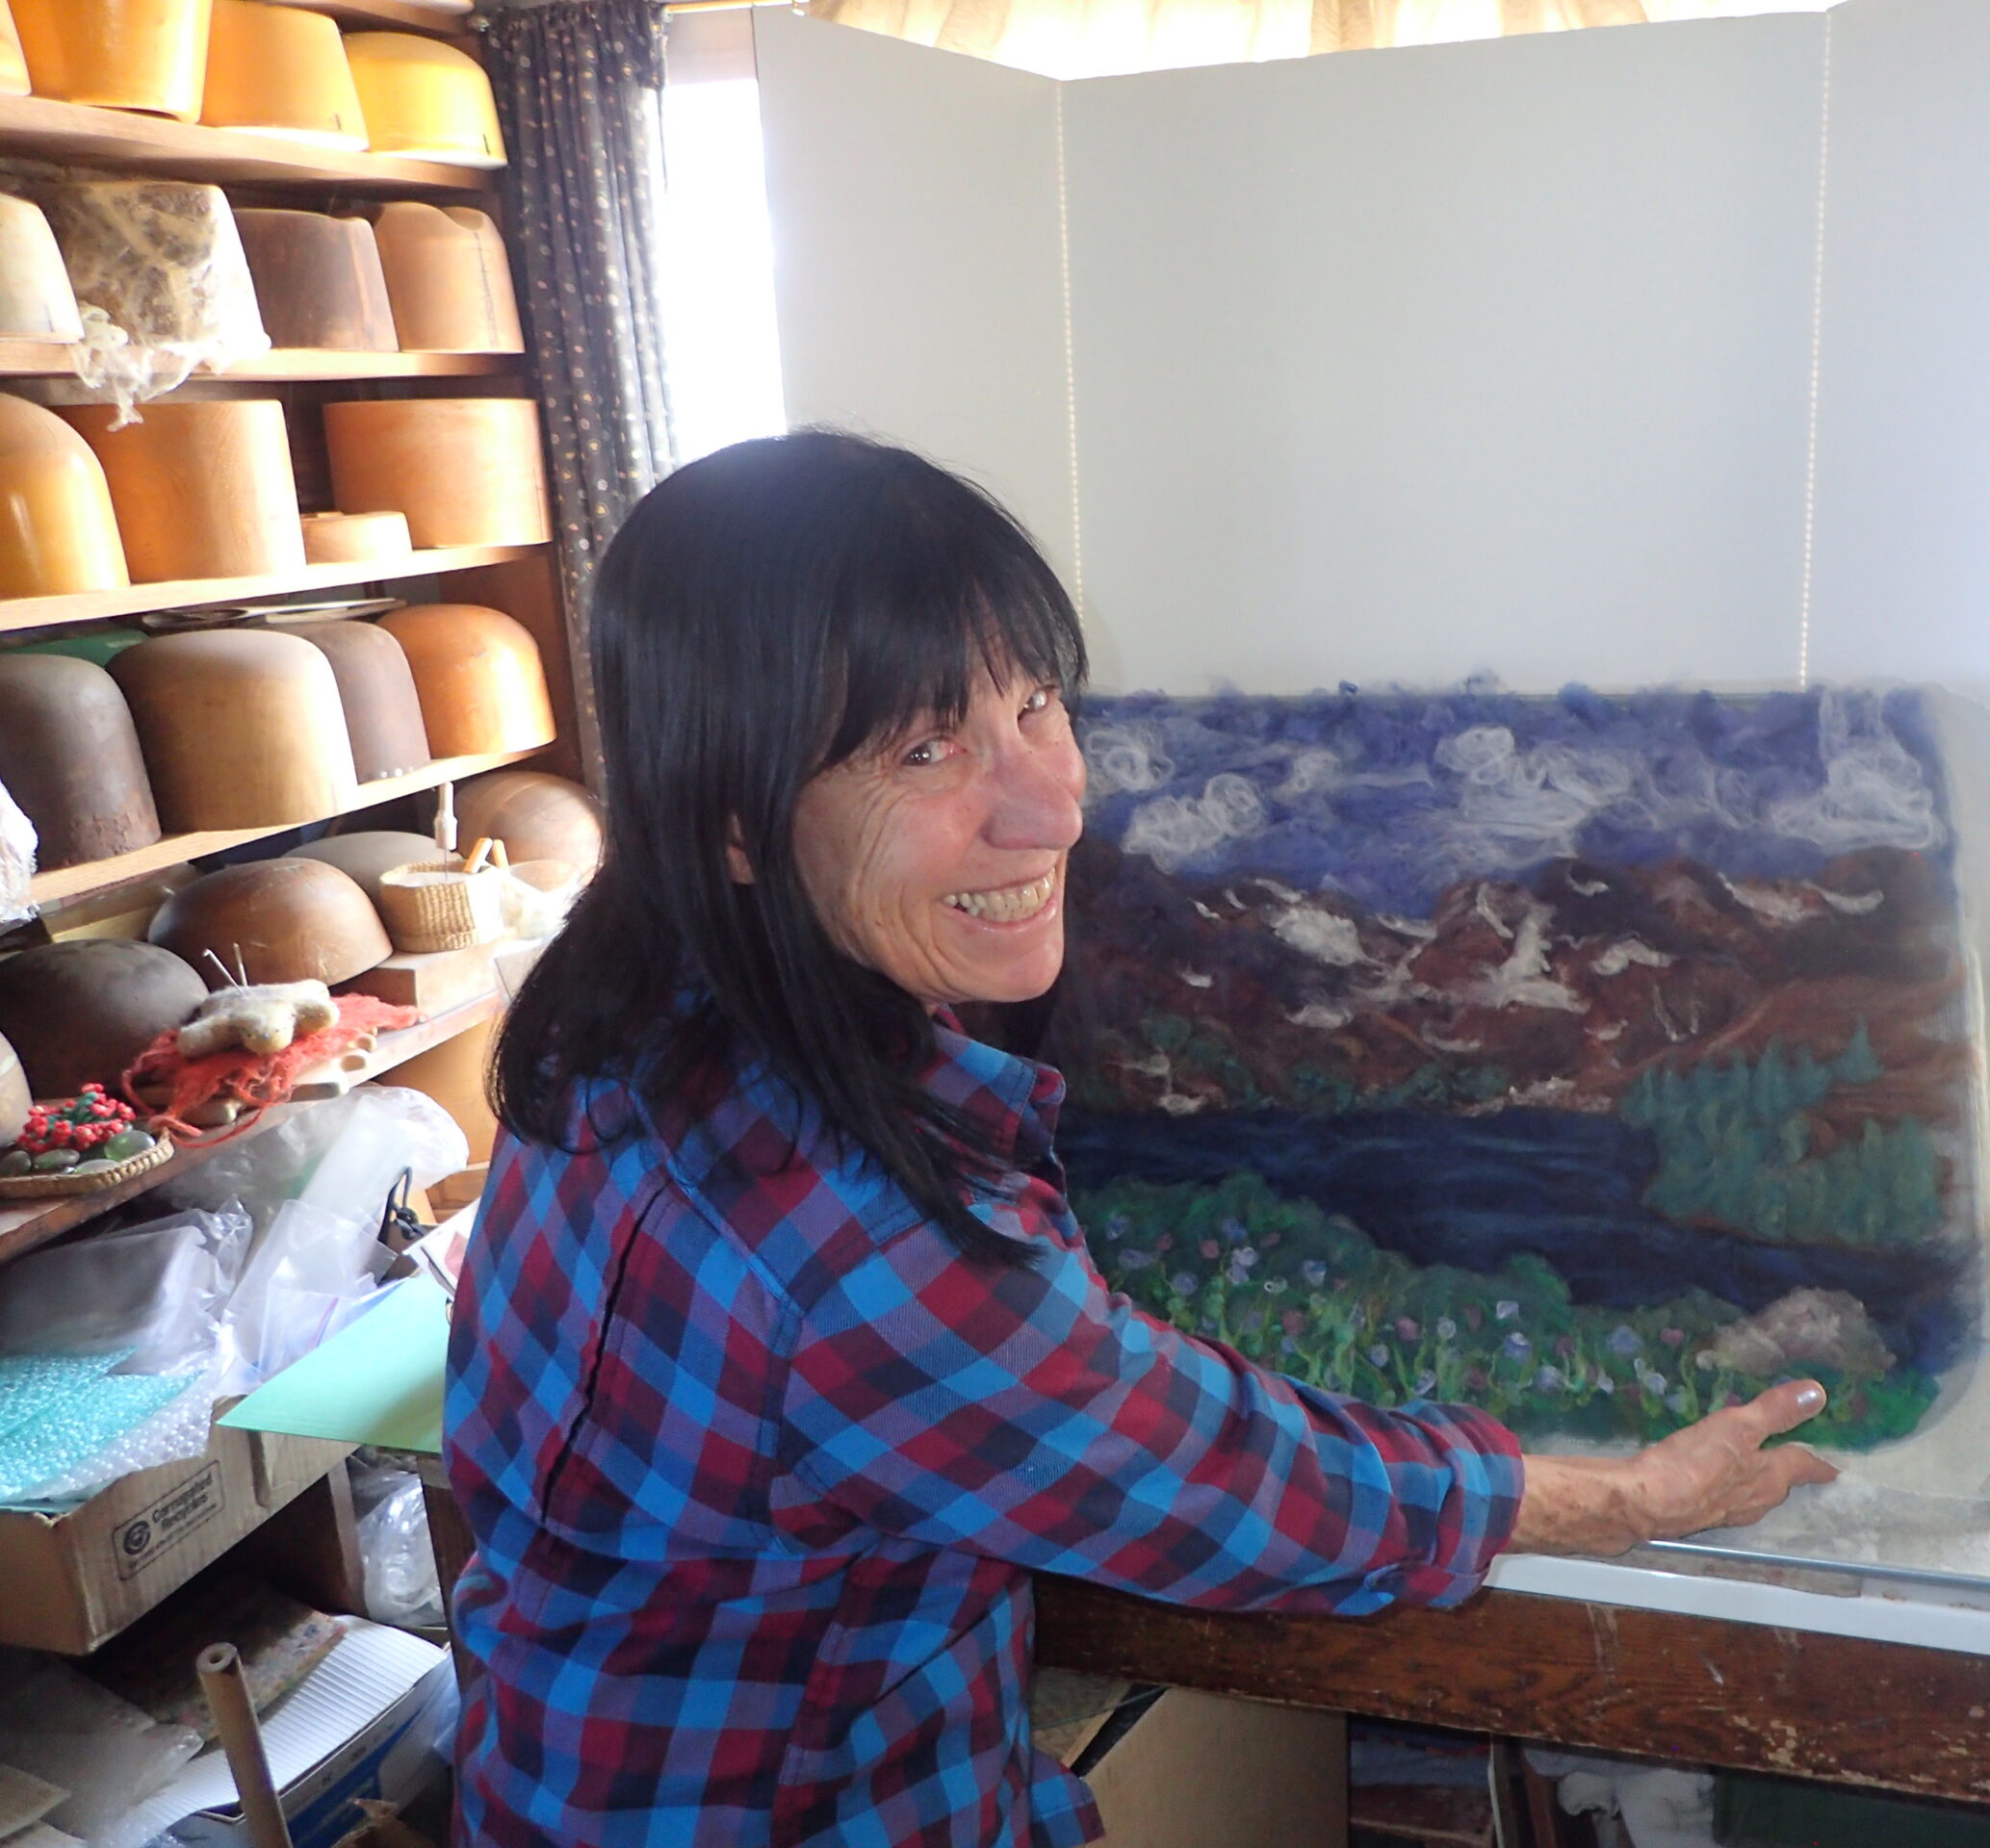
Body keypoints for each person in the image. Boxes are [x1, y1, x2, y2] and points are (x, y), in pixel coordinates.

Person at [444, 430, 1837, 1845]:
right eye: (926, 748)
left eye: (1037, 703)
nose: (1057, 805)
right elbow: (1240, 1486)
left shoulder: (623, 1009)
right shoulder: (847, 1236)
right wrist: (1633, 1495)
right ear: (733, 820)